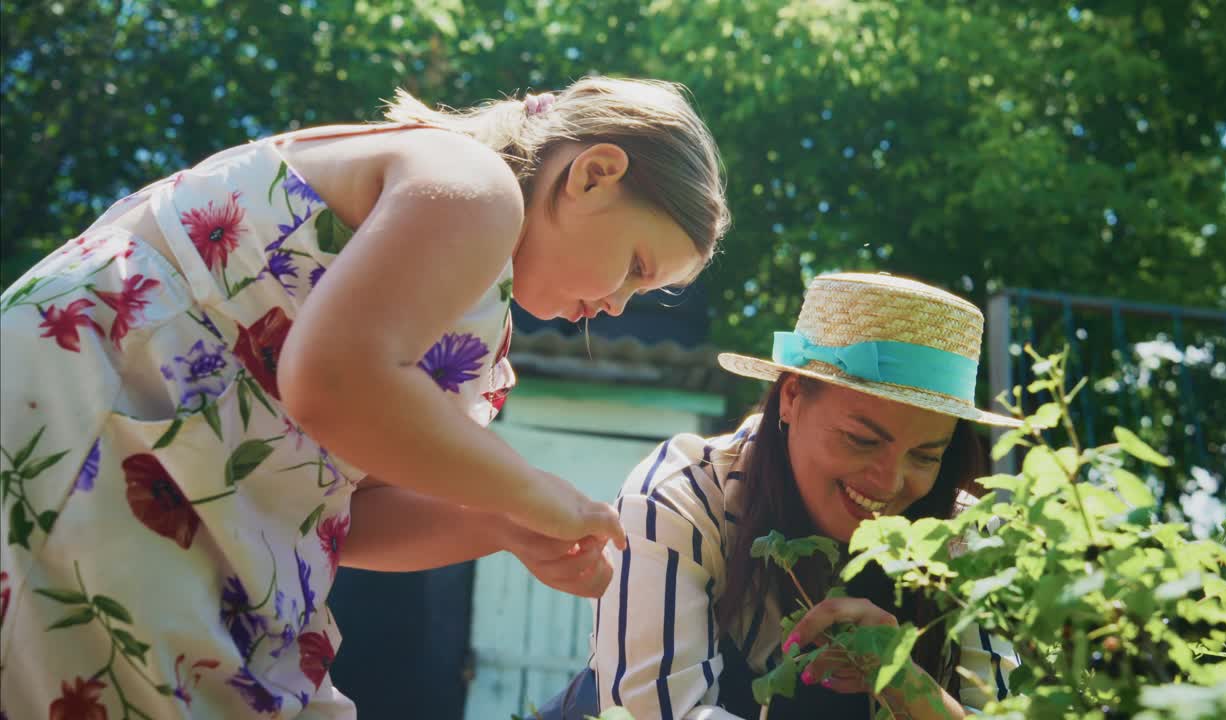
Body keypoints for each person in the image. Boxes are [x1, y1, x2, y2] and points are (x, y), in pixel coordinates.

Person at [0, 76, 729, 718]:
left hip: (160, 482)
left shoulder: (470, 299)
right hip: (87, 417)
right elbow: (333, 381)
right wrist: (534, 490)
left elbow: (347, 512)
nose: (617, 305)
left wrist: (503, 525)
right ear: (594, 175)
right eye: (635, 267)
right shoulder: (472, 186)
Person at [535, 272, 1021, 719]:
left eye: (925, 457)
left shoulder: (967, 541)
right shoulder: (681, 498)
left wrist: (904, 679)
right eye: (862, 440)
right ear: (790, 397)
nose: (890, 482)